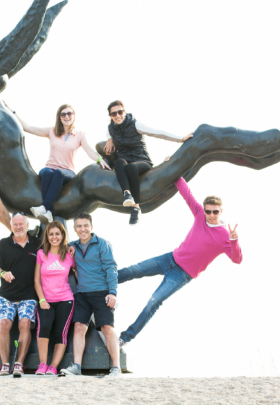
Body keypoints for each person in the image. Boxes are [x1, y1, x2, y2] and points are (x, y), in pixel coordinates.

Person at [116, 175, 242, 347]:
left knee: (153, 302)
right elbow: (186, 193)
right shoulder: (199, 214)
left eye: (215, 212)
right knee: (134, 270)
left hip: (181, 274)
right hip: (170, 258)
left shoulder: (225, 235)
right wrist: (174, 166)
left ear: (221, 211)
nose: (211, 215)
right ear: (204, 210)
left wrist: (234, 241)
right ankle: (99, 281)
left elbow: (237, 259)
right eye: (208, 211)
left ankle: (124, 338)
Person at [5, 102, 111, 224]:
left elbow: (90, 151)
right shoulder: (52, 131)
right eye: (63, 114)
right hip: (50, 168)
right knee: (45, 172)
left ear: (73, 115)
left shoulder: (80, 135)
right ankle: (48, 212)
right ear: (59, 117)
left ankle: (44, 207)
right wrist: (11, 110)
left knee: (58, 173)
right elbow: (27, 127)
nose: (67, 116)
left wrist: (100, 160)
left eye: (69, 113)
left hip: (67, 172)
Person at [104, 100, 194, 225]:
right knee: (119, 162)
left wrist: (180, 139)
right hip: (124, 159)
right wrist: (109, 139)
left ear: (124, 111)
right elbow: (109, 133)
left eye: (120, 112)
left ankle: (135, 206)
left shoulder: (135, 124)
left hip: (142, 161)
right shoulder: (111, 128)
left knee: (131, 168)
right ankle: (127, 194)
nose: (118, 116)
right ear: (110, 116)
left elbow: (158, 133)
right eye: (114, 114)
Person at [59, 212, 122, 377]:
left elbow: (111, 269)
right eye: (79, 226)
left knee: (107, 328)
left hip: (102, 292)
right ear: (74, 229)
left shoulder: (102, 244)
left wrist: (113, 293)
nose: (83, 229)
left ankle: (116, 368)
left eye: (86, 225)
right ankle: (77, 367)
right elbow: (57, 248)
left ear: (91, 227)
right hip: (82, 294)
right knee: (79, 327)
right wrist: (67, 247)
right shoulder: (73, 246)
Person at [0, 212, 42, 376]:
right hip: (7, 295)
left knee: (24, 323)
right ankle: (5, 365)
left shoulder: (37, 244)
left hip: (29, 295)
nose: (18, 227)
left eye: (21, 224)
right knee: (5, 323)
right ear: (11, 226)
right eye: (15, 225)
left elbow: (55, 249)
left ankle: (19, 364)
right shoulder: (3, 244)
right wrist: (3, 273)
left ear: (27, 225)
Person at [33, 221, 76, 375]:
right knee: (43, 328)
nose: (54, 237)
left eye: (57, 234)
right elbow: (37, 280)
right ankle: (42, 365)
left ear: (62, 235)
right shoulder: (41, 254)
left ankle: (53, 366)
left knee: (61, 332)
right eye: (51, 234)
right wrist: (42, 300)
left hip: (66, 299)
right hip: (46, 300)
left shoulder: (70, 255)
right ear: (47, 236)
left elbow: (78, 274)